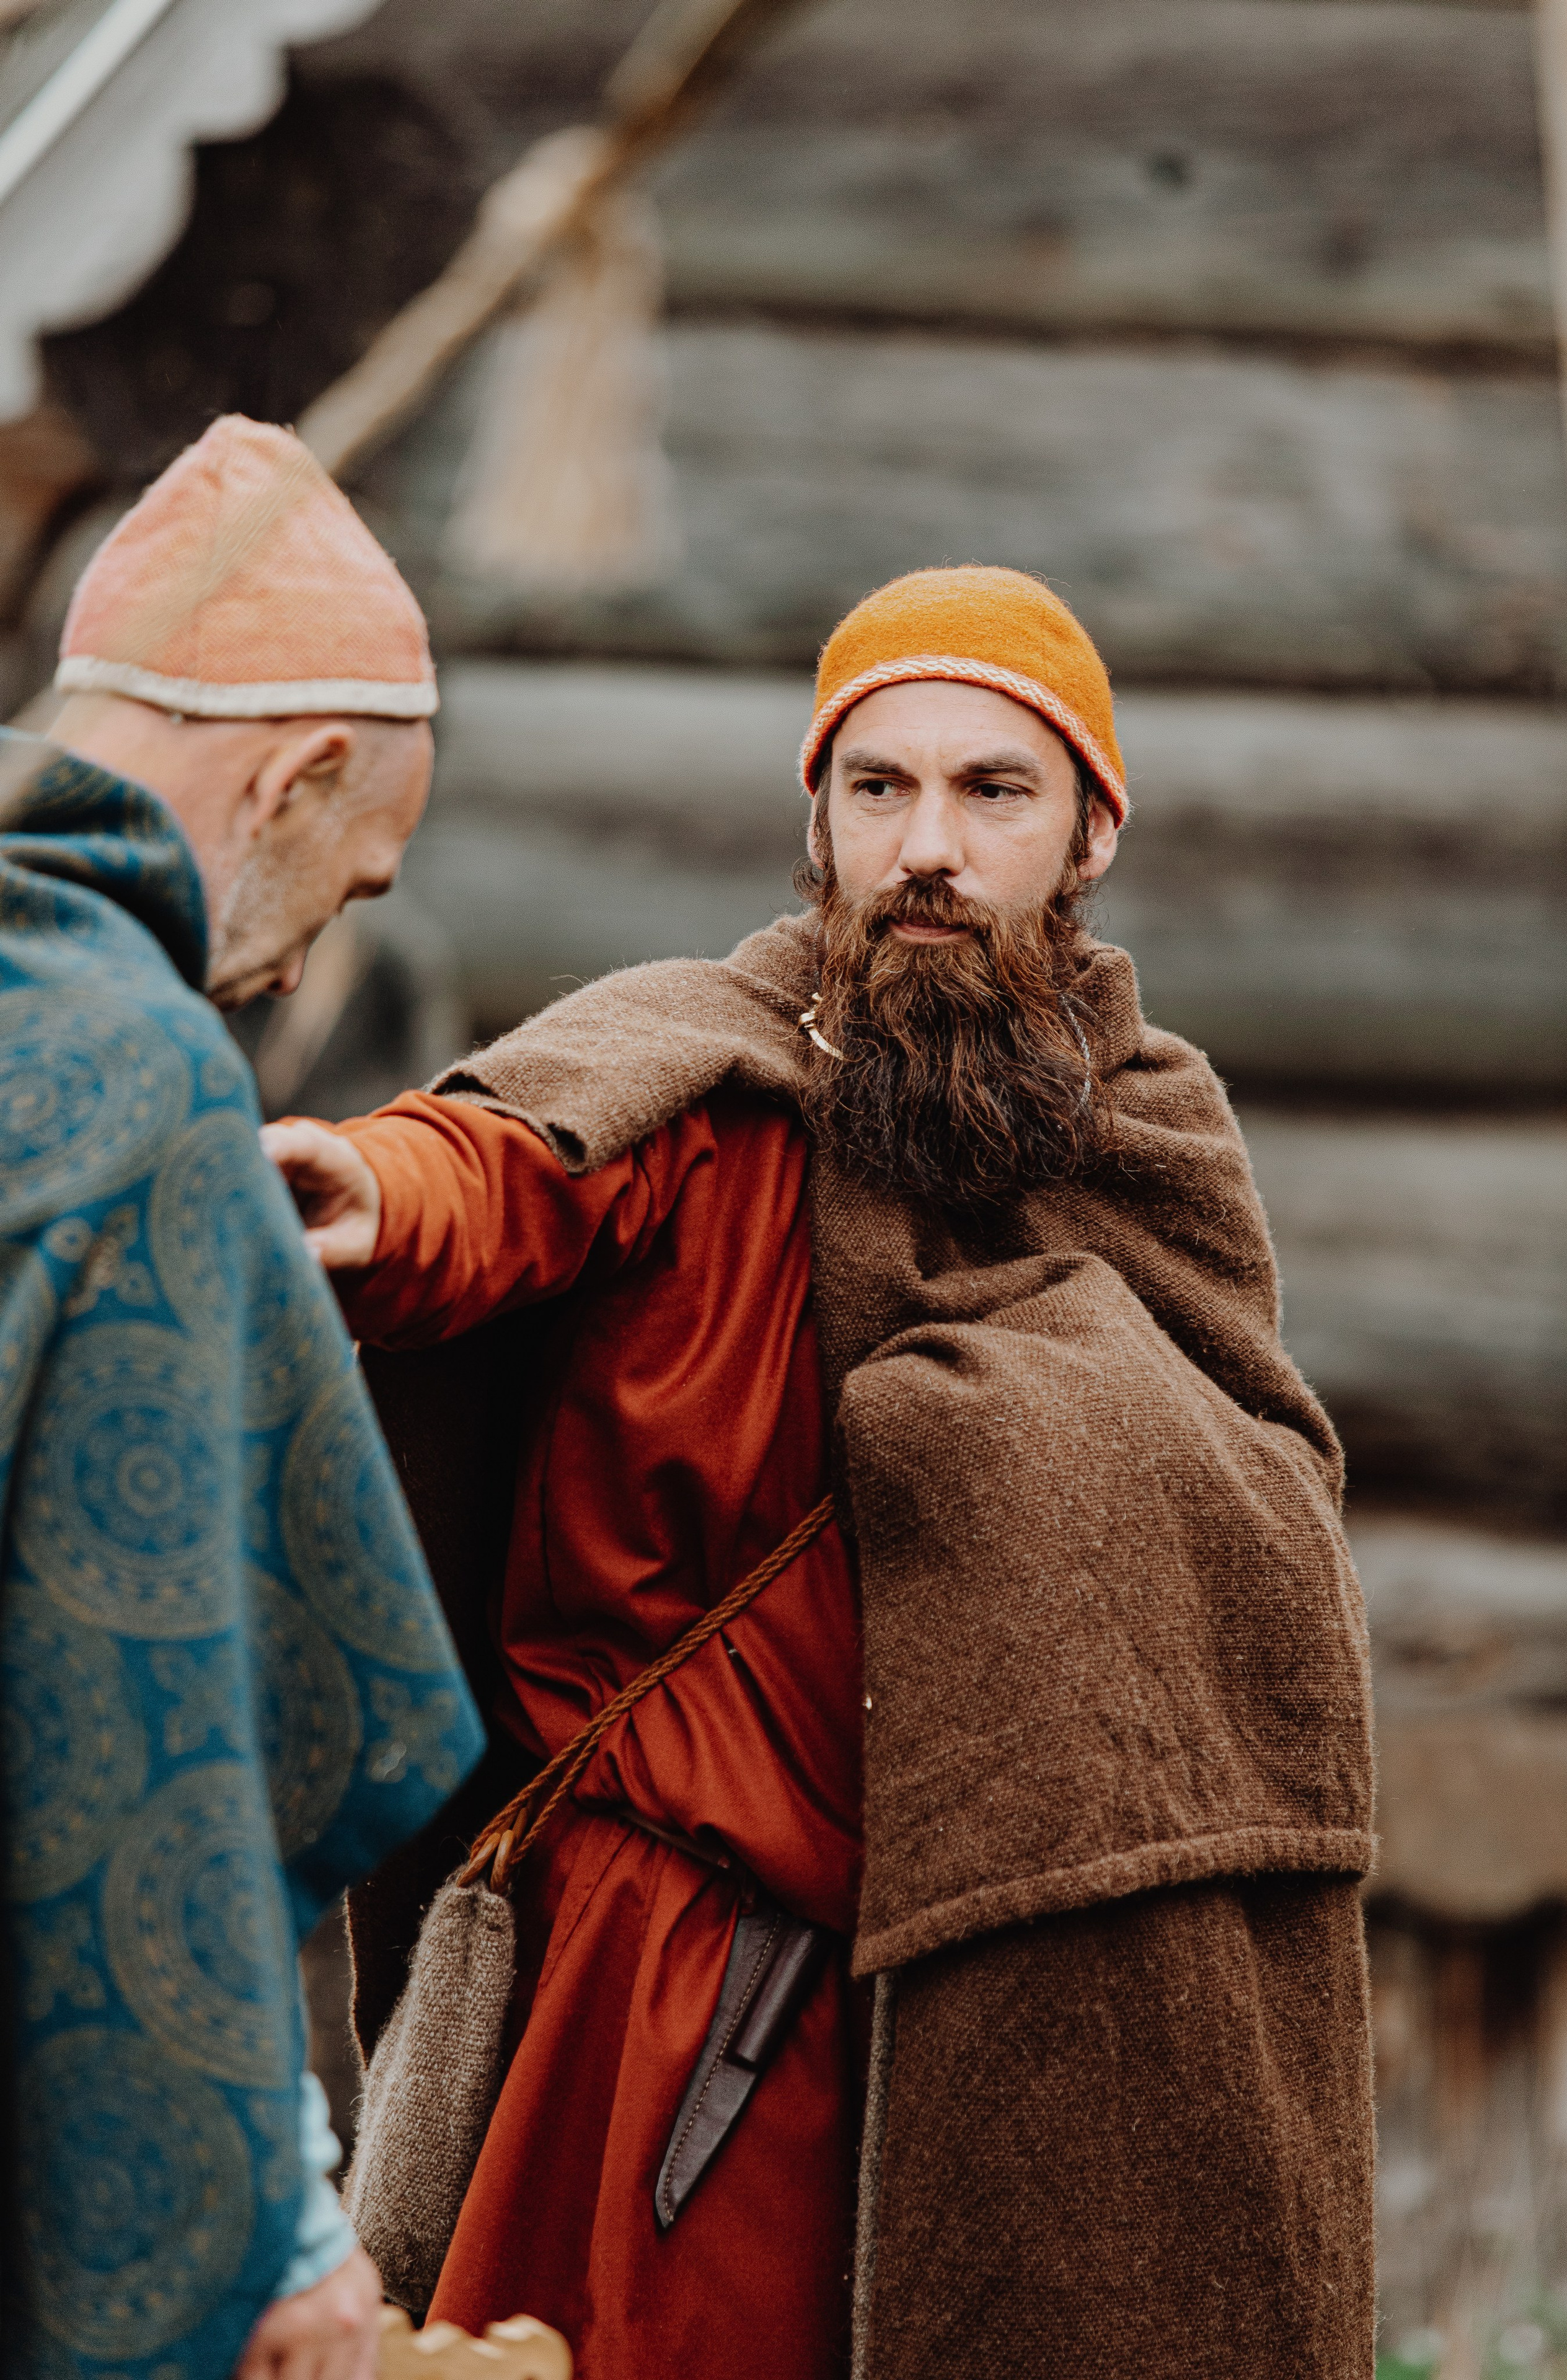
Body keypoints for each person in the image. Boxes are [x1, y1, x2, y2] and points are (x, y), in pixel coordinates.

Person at [267, 565, 1377, 2380]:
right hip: (676, 2002)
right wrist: (374, 1195)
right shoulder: (699, 1074)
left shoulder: (1158, 1140)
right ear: (820, 817)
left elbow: (1249, 1520)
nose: (926, 847)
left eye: (989, 792)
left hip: (1037, 2021)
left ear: (1092, 829)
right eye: (881, 789)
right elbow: (513, 1166)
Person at [0, 415, 484, 2380]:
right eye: (347, 886)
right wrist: (258, 2236)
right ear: (289, 776)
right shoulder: (144, 1082)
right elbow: (139, 1740)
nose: (290, 982)